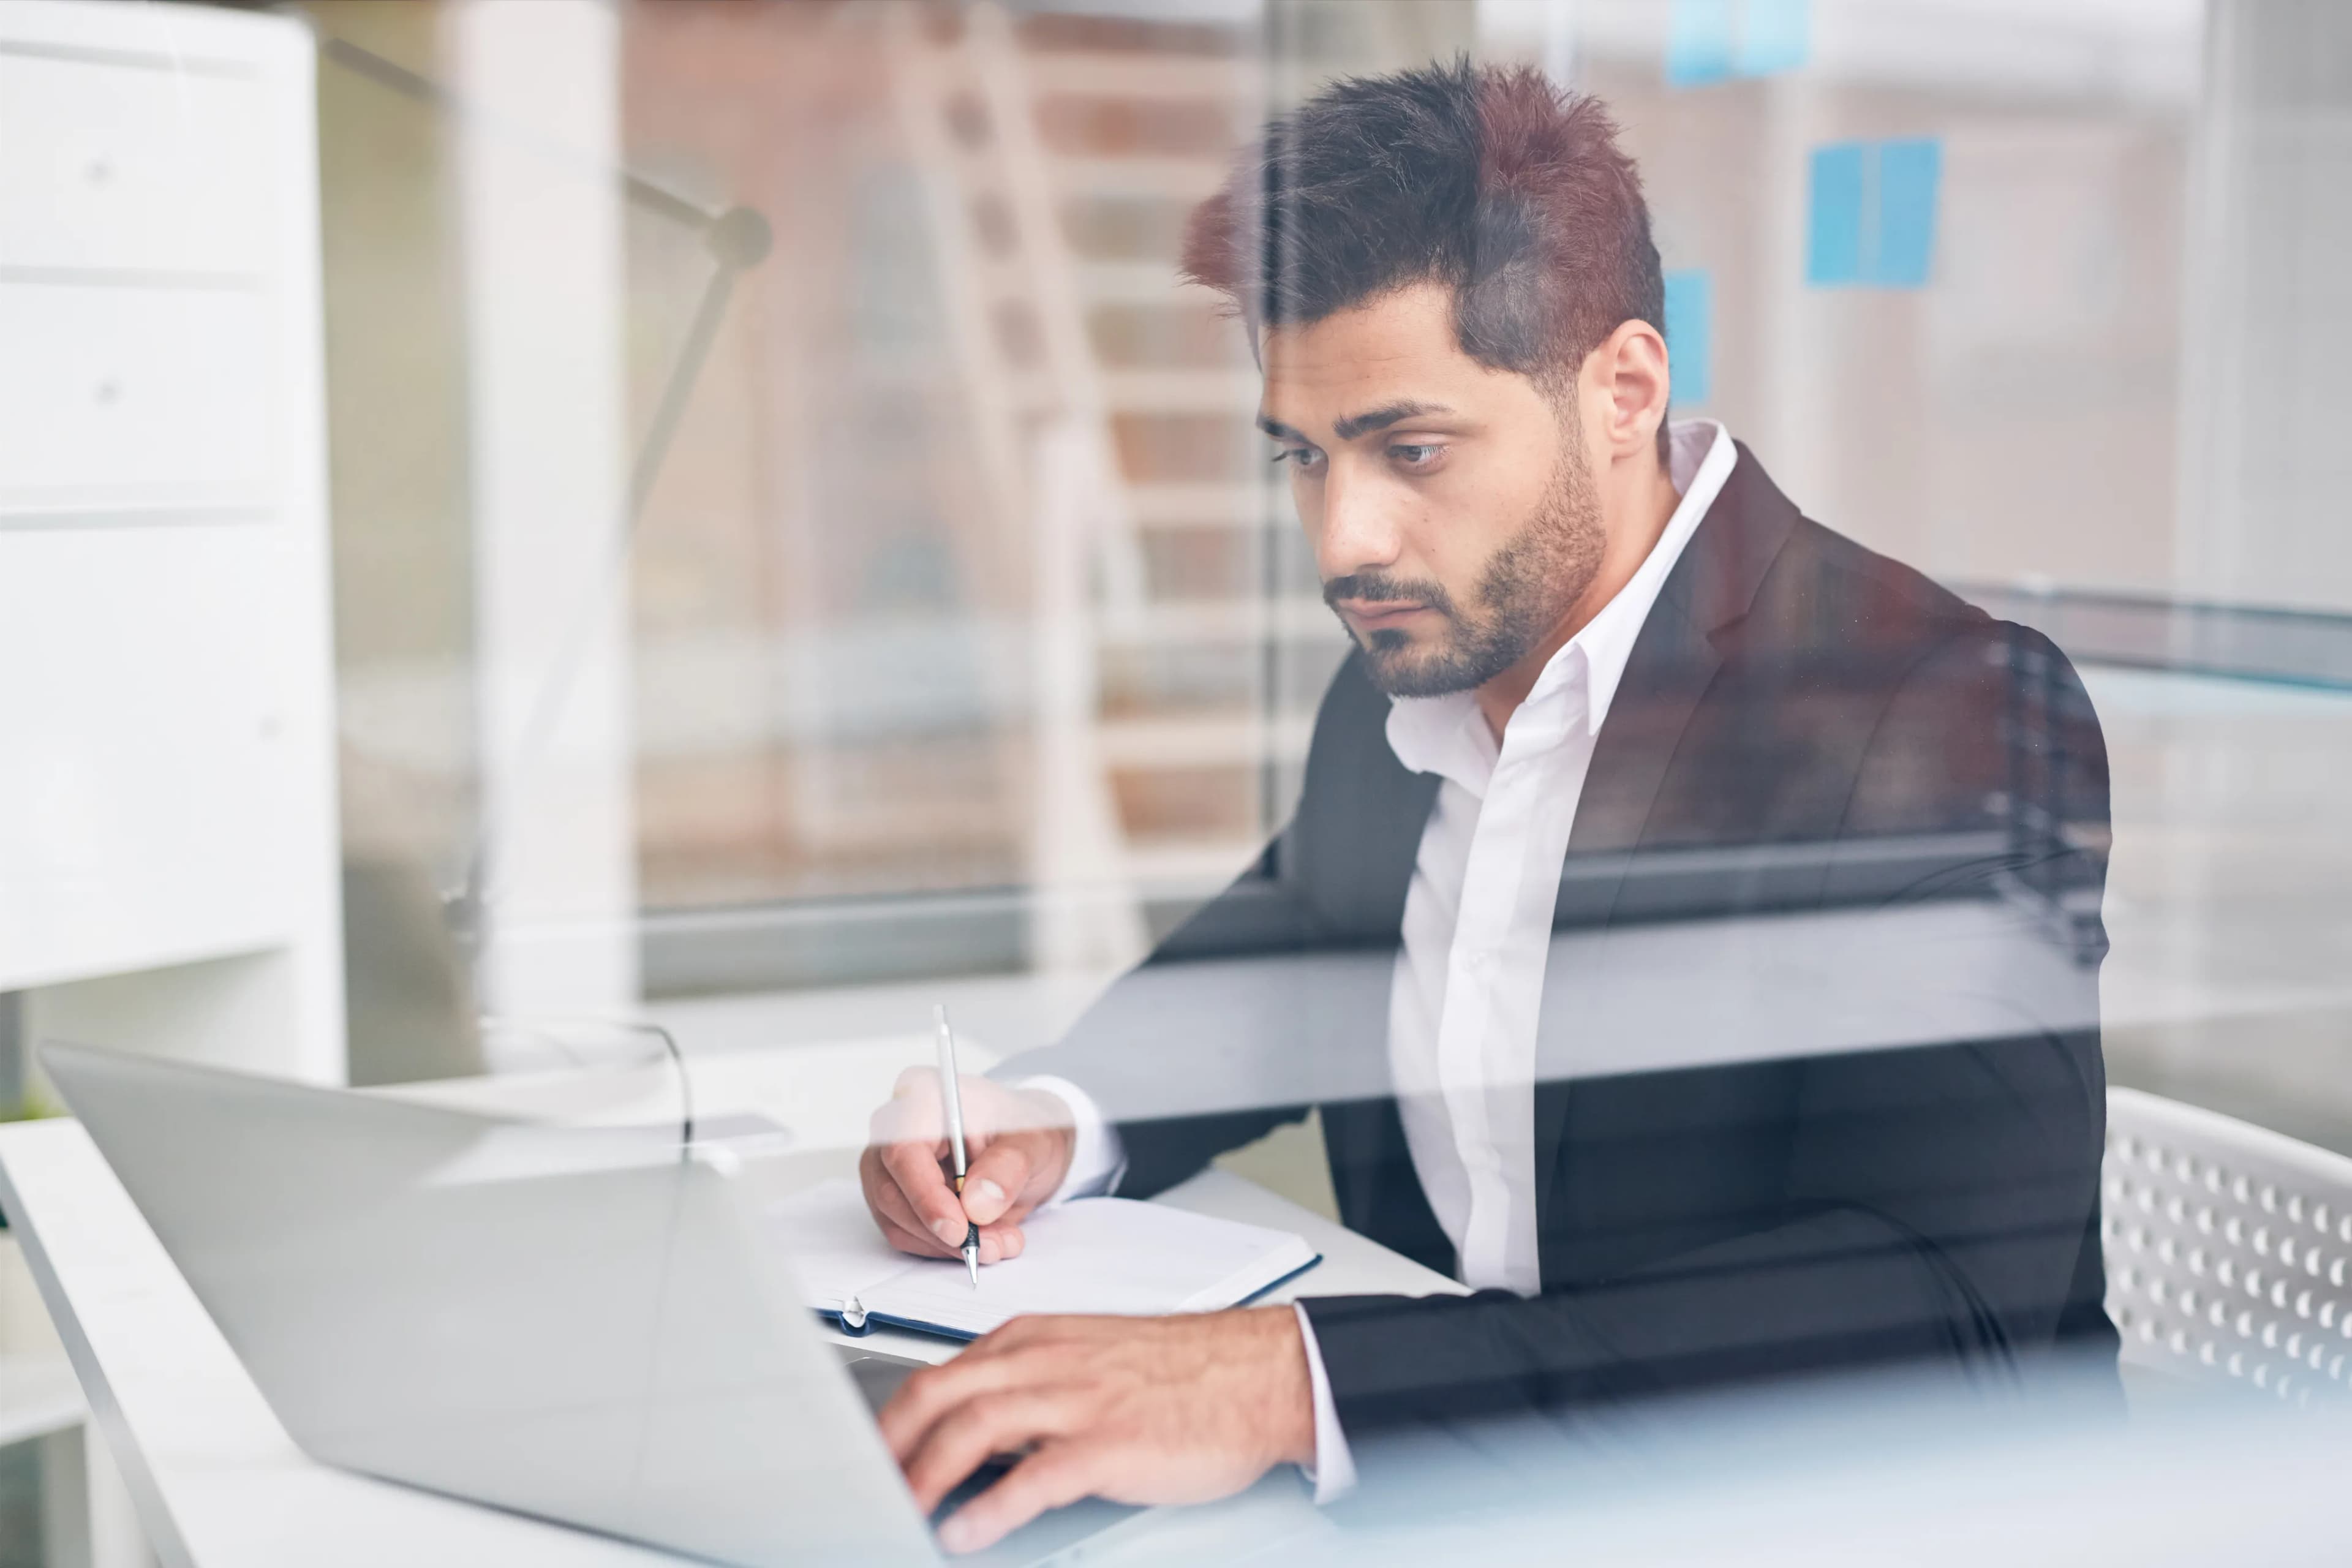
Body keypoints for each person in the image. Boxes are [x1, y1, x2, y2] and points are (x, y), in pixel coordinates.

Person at [860, 59, 2116, 1555]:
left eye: (1412, 449)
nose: (1345, 538)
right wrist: (1049, 1117)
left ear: (1622, 391)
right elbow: (1292, 948)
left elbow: (1940, 1309)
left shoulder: (1938, 710)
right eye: (1304, 457)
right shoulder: (1412, 665)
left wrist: (1289, 1383)